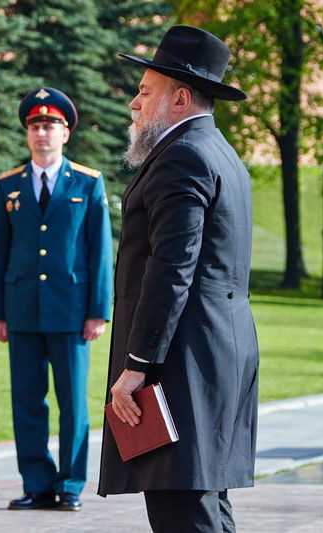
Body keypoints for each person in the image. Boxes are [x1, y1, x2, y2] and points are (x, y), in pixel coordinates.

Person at [97, 25, 259, 532]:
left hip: (183, 361)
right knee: (205, 505)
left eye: (145, 92)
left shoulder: (183, 156)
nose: (134, 104)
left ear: (180, 98)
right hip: (215, 354)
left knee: (183, 511)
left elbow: (171, 271)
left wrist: (136, 366)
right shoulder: (219, 152)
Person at [0, 87, 113, 512]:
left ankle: (71, 486)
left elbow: (100, 252)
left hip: (72, 311)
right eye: (35, 126)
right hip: (21, 308)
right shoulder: (9, 185)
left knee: (73, 403)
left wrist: (98, 310)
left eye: (50, 126)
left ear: (66, 133)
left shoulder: (88, 183)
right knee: (26, 400)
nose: (42, 133)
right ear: (27, 134)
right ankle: (37, 483)